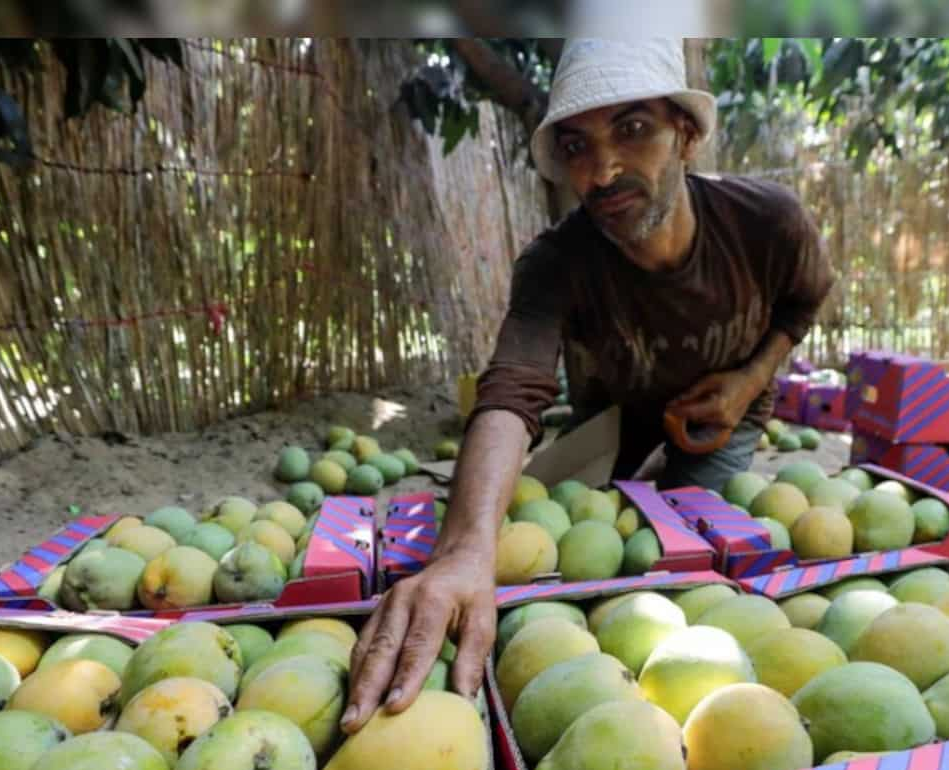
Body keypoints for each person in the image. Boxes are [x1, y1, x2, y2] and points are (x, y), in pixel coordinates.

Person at [341, 38, 836, 733]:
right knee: (587, 546)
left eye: (632, 130)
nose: (602, 170)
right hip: (615, 417)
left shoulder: (767, 223)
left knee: (690, 551)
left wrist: (749, 379)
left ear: (685, 135)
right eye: (576, 146)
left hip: (723, 417)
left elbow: (806, 300)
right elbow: (513, 389)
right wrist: (466, 552)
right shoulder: (556, 263)